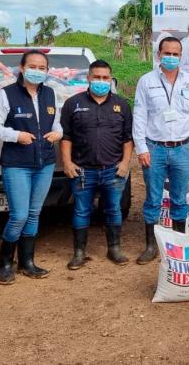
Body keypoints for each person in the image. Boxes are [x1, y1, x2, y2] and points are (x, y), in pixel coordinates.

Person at [0, 50, 62, 284]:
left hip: (45, 162)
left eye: (42, 68)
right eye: (33, 66)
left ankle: (27, 262)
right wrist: (16, 135)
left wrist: (58, 133)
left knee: (33, 214)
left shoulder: (50, 93)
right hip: (17, 164)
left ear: (47, 71)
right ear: (22, 68)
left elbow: (56, 121)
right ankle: (5, 263)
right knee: (19, 215)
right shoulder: (7, 94)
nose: (37, 71)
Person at [133, 37, 189, 264]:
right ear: (159, 55)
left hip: (183, 149)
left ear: (181, 56)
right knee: (153, 199)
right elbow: (139, 116)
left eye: (176, 54)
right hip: (154, 148)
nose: (172, 57)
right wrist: (141, 148)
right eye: (168, 53)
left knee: (179, 198)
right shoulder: (146, 81)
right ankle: (150, 246)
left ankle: (177, 241)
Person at [60, 60, 133, 269]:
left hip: (113, 170)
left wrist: (125, 163)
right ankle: (79, 253)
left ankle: (114, 249)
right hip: (83, 171)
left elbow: (127, 140)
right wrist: (67, 162)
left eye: (105, 78)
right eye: (97, 77)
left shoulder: (122, 105)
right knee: (82, 210)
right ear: (88, 79)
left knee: (113, 209)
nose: (101, 81)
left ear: (111, 80)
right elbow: (66, 137)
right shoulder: (73, 104)